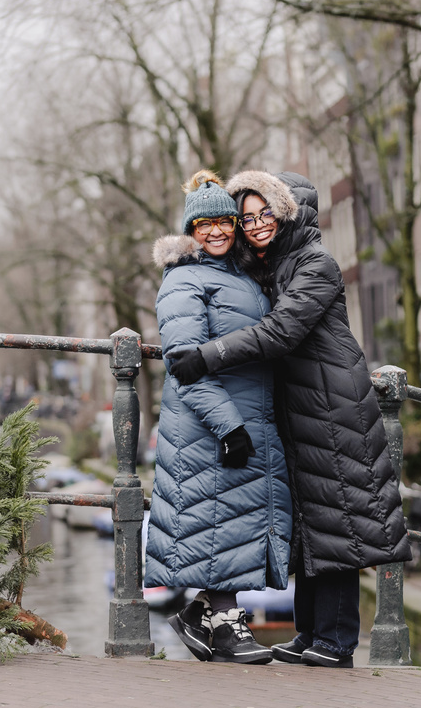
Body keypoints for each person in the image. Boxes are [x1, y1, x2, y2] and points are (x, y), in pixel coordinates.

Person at [169, 169, 411, 669]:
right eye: (247, 215)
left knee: (339, 521)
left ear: (287, 213)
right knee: (308, 524)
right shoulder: (267, 265)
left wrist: (208, 355)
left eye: (265, 214)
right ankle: (308, 634)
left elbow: (281, 332)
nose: (255, 223)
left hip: (332, 407)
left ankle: (337, 643)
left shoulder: (316, 264)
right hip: (295, 408)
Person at [145, 170, 292, 665]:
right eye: (203, 224)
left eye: (224, 222)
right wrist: (228, 425)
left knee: (230, 522)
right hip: (209, 425)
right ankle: (225, 625)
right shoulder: (183, 279)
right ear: (190, 230)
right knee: (217, 522)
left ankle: (203, 617)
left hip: (249, 417)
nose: (216, 232)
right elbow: (185, 362)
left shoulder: (240, 274)